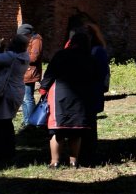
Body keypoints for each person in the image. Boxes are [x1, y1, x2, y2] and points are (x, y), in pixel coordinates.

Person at [40, 30, 97, 168]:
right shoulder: (89, 58)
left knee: (57, 130)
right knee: (75, 131)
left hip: (60, 95)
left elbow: (50, 73)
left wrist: (43, 89)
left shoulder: (61, 55)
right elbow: (94, 78)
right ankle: (73, 161)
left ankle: (54, 162)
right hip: (80, 97)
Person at [0, 34, 30, 161]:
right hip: (15, 90)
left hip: (4, 92)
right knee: (6, 122)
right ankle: (8, 151)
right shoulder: (24, 56)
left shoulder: (12, 56)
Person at [83, 23, 110, 165]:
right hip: (90, 90)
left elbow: (99, 72)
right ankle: (86, 151)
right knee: (88, 122)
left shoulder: (96, 51)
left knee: (90, 123)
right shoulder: (96, 50)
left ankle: (89, 152)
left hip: (91, 90)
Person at [18, 23, 43, 128]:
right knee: (24, 98)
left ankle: (30, 122)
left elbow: (34, 58)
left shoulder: (36, 40)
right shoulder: (28, 40)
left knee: (27, 98)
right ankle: (26, 120)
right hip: (24, 72)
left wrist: (19, 56)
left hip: (30, 72)